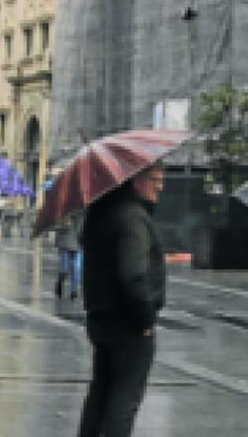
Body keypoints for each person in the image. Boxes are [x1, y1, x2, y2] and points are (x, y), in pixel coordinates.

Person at [78, 166, 167, 437]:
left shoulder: (102, 211)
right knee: (124, 400)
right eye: (155, 180)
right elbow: (133, 275)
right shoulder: (132, 217)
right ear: (137, 181)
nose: (160, 187)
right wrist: (146, 319)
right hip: (128, 324)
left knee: (101, 393)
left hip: (102, 320)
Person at [55, 209, 85, 301]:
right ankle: (60, 281)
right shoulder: (64, 210)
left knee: (77, 268)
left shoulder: (85, 211)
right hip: (66, 244)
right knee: (64, 269)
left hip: (79, 244)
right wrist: (64, 224)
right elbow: (55, 226)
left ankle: (74, 291)